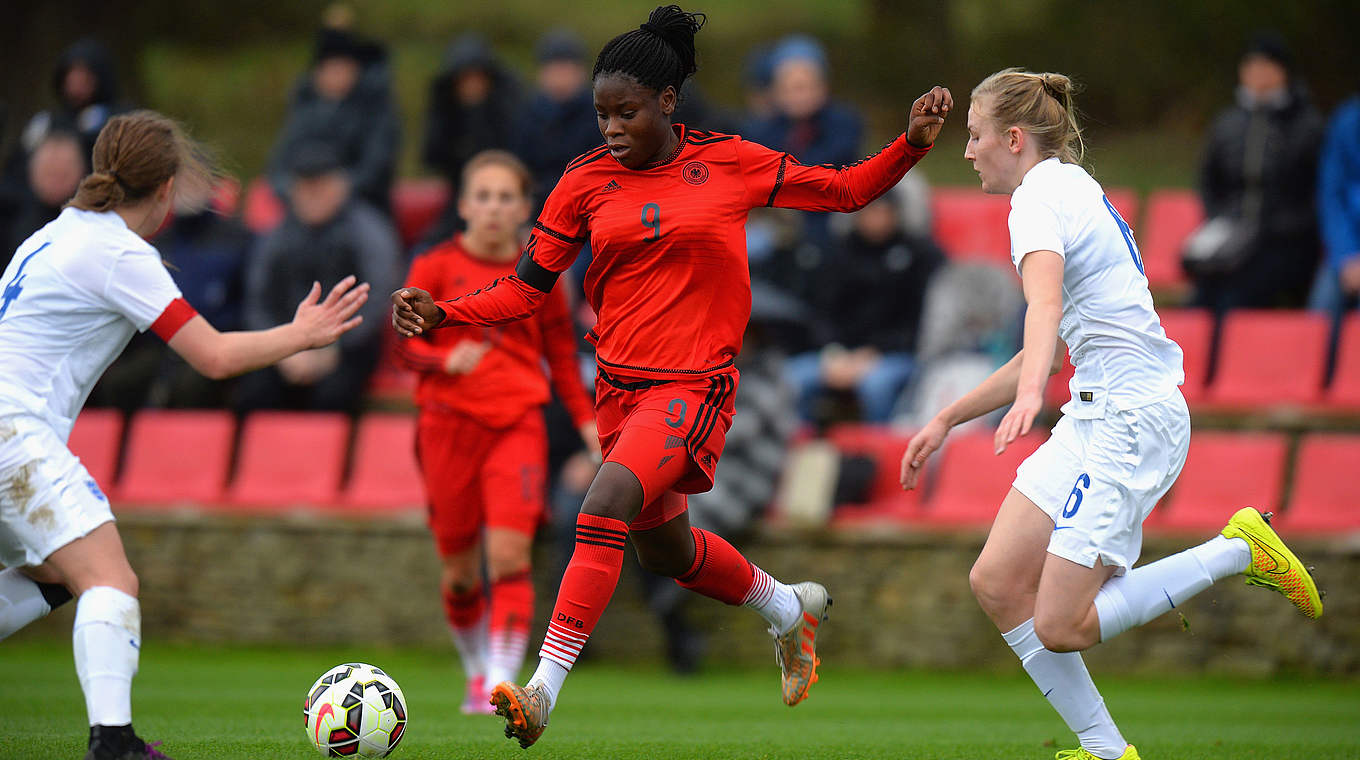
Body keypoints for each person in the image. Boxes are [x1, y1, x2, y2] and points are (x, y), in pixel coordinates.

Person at [392, 5, 952, 748]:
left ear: (667, 100)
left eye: (626, 112)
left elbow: (843, 191)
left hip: (695, 386)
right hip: (618, 388)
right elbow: (528, 288)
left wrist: (908, 145)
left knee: (604, 502)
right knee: (668, 553)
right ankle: (789, 609)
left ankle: (543, 690)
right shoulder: (582, 181)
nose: (612, 127)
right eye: (601, 115)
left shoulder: (731, 161)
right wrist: (446, 314)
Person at [899, 69, 1323, 760]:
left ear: (1013, 137)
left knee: (1061, 623)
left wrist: (1035, 388)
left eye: (974, 137)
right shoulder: (1068, 184)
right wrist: (949, 417)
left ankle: (1241, 549)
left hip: (1130, 420)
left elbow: (1041, 316)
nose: (968, 151)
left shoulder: (1039, 199)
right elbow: (1053, 336)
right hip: (1100, 413)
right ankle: (1106, 751)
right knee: (998, 581)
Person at [0, 111, 368, 760]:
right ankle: (113, 745)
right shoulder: (119, 253)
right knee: (110, 582)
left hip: (10, 434)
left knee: (56, 573)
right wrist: (302, 333)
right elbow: (216, 357)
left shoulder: (55, 234)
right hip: (13, 435)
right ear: (167, 189)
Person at [394, 150, 598, 715]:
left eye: (504, 196)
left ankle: (501, 684)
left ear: (525, 209)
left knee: (509, 557)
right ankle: (475, 669)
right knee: (461, 575)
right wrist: (441, 362)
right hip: (446, 428)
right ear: (462, 205)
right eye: (481, 195)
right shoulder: (432, 267)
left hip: (517, 426)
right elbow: (403, 348)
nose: (492, 207)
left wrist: (589, 428)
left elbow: (562, 358)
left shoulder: (542, 279)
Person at [238, 141, 399, 414]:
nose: (312, 196)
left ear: (342, 186)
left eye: (320, 186)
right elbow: (258, 298)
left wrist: (334, 351)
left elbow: (381, 297)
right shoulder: (277, 236)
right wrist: (281, 349)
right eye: (304, 187)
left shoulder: (367, 230)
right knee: (253, 394)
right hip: (284, 347)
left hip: (348, 348)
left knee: (333, 397)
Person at [1188, 33, 1325, 315]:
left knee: (1233, 298)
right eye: (1251, 66)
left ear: (1283, 72)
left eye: (1266, 67)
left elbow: (1318, 192)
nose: (1257, 75)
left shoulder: (1308, 125)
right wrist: (1223, 221)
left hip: (1286, 243)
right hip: (1234, 238)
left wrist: (1279, 229)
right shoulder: (1227, 124)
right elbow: (1208, 182)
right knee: (1199, 299)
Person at [784, 191, 945, 423]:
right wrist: (833, 351)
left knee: (876, 386)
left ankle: (881, 451)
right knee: (791, 379)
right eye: (870, 211)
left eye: (883, 211)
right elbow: (818, 312)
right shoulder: (835, 253)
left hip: (895, 354)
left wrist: (873, 353)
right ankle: (798, 447)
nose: (875, 218)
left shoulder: (921, 256)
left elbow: (922, 320)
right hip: (837, 353)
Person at [265, 26, 400, 214]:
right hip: (303, 209)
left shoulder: (375, 107)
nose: (336, 75)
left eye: (342, 68)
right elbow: (279, 164)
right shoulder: (303, 108)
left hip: (361, 204)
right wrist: (293, 190)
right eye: (330, 69)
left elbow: (378, 164)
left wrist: (339, 188)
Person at [511, 29, 603, 211]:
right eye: (554, 69)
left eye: (566, 69)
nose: (560, 77)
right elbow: (519, 166)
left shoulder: (600, 111)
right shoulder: (528, 113)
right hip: (539, 205)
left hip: (588, 201)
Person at [1309, 92, 1360, 325]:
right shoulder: (1348, 120)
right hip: (1348, 249)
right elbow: (1331, 195)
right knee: (1319, 314)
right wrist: (1346, 255)